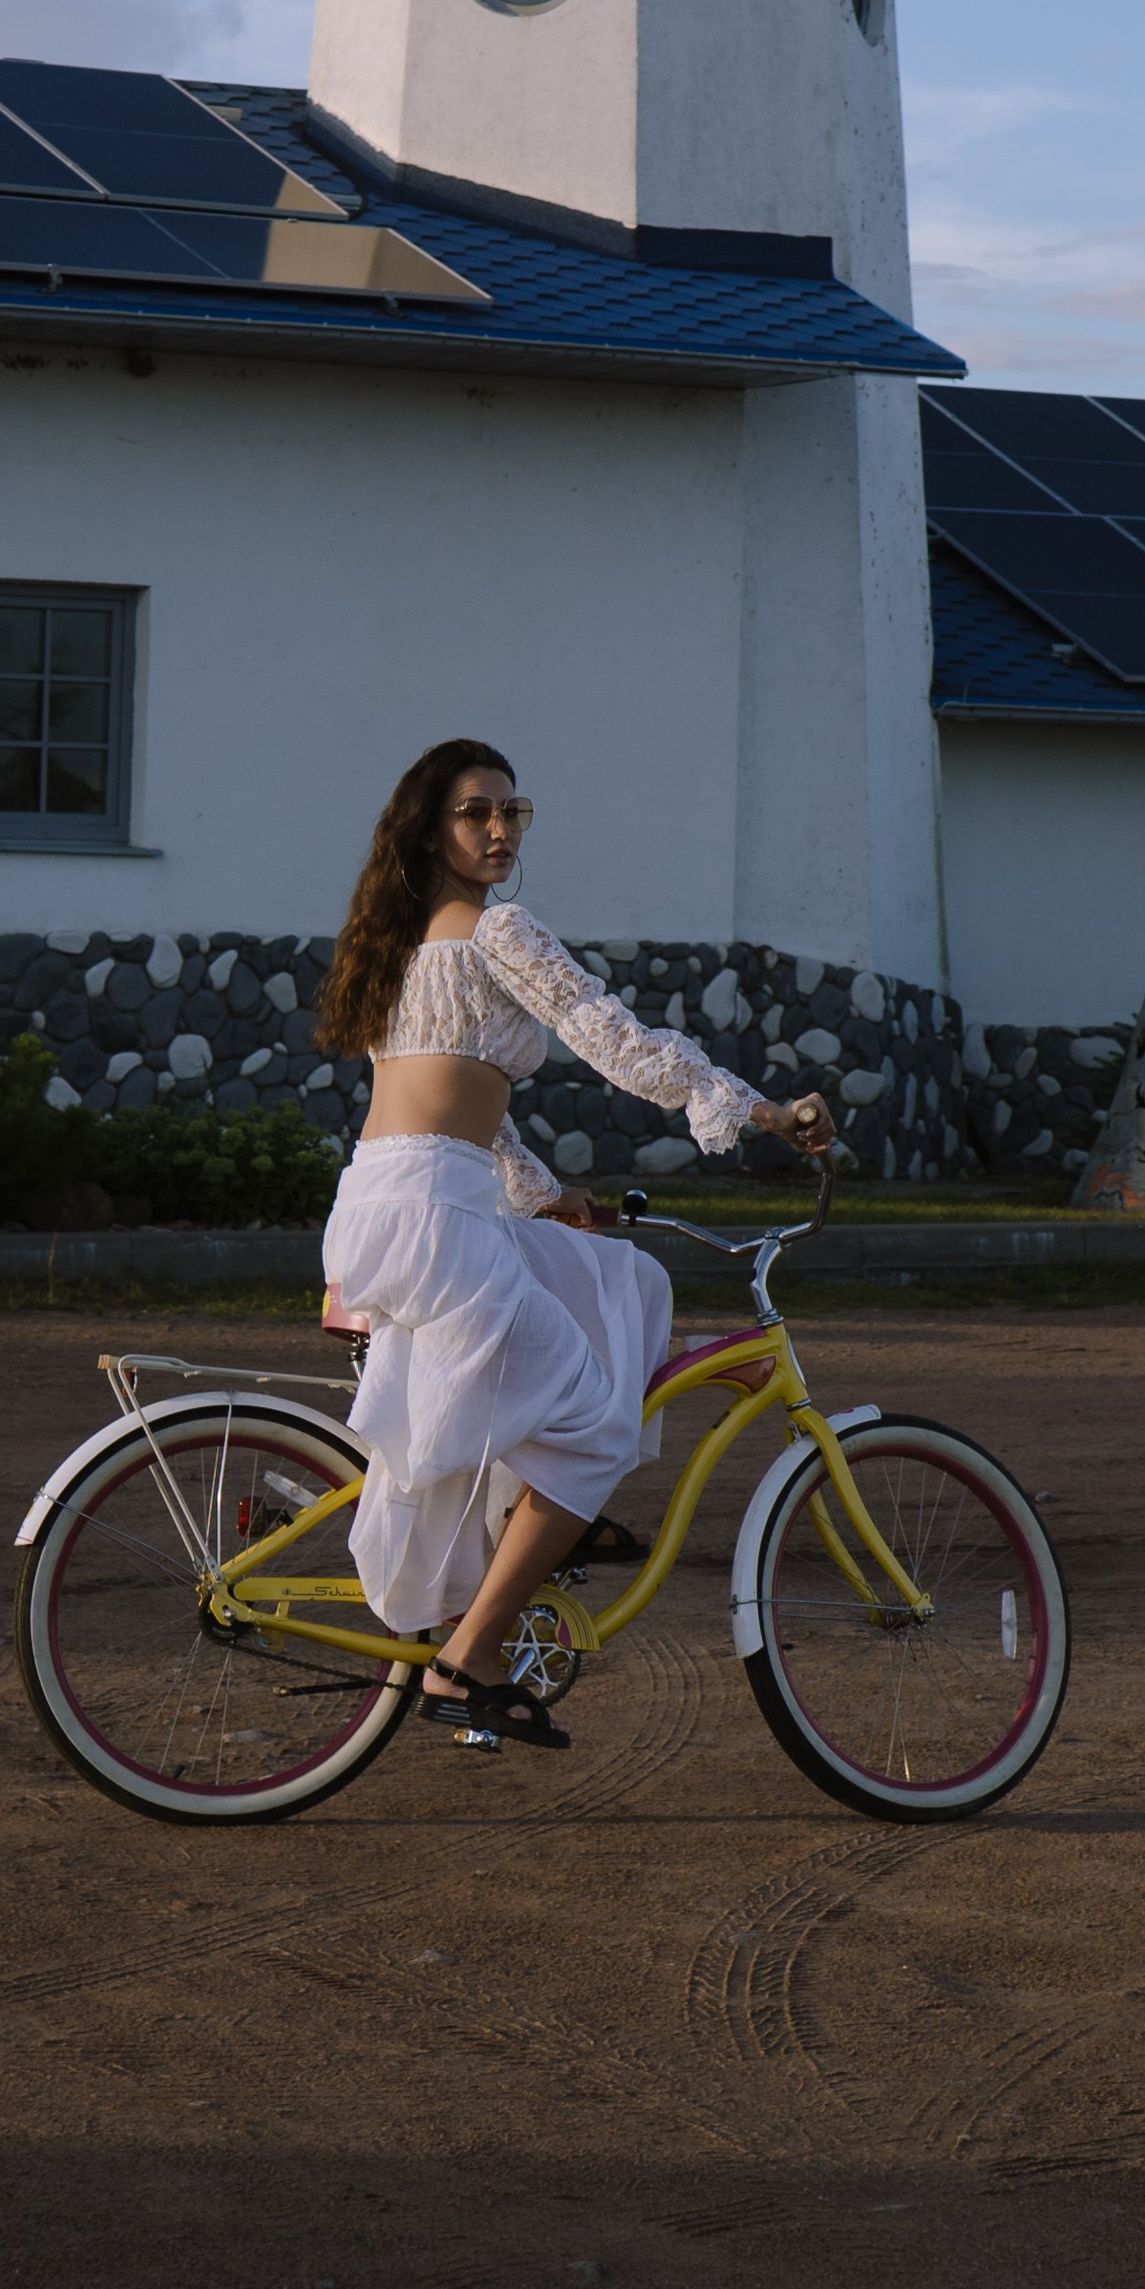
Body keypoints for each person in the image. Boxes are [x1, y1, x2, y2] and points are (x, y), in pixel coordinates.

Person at [313, 735, 835, 1750]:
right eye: (476, 812)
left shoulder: (403, 944)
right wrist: (764, 1112)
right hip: (434, 1217)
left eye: (512, 812)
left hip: (401, 1201)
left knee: (619, 1275)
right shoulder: (496, 931)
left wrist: (548, 1199)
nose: (500, 830)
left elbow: (459, 1109)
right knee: (596, 1428)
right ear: (429, 827)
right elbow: (618, 1043)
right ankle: (468, 1659)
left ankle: (553, 1511)